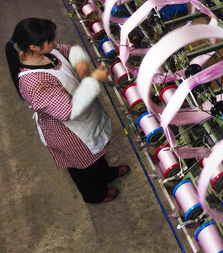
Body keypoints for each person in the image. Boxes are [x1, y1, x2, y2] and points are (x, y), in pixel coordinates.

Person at [5, 18, 130, 203]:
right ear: (33, 47)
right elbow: (68, 111)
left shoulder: (48, 51)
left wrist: (78, 61)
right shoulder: (33, 83)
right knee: (83, 166)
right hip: (69, 133)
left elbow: (68, 50)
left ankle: (105, 174)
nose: (55, 43)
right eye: (50, 41)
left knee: (96, 153)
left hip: (85, 118)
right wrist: (93, 79)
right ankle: (94, 195)